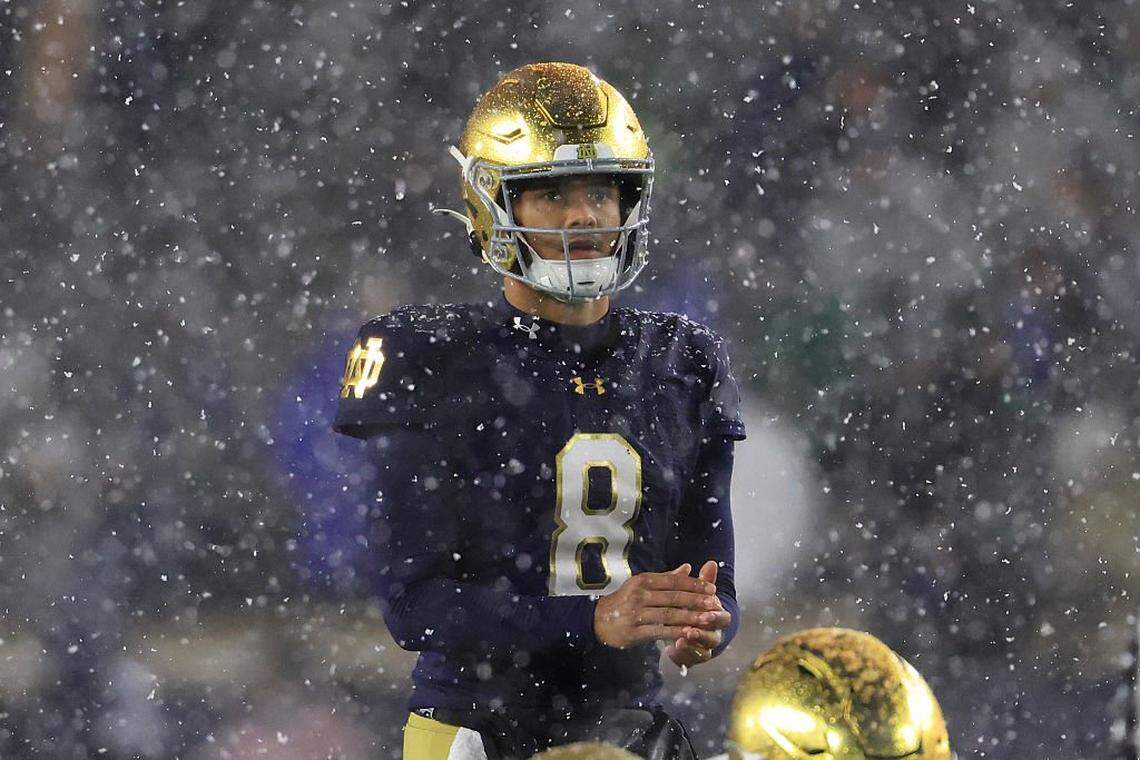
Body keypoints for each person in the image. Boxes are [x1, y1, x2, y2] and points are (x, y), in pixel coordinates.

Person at [334, 62, 746, 759]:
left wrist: (705, 623)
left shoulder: (680, 361)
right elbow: (416, 604)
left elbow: (717, 581)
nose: (584, 214)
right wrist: (589, 620)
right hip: (475, 731)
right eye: (551, 193)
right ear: (492, 205)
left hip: (628, 732)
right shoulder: (432, 358)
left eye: (599, 190)